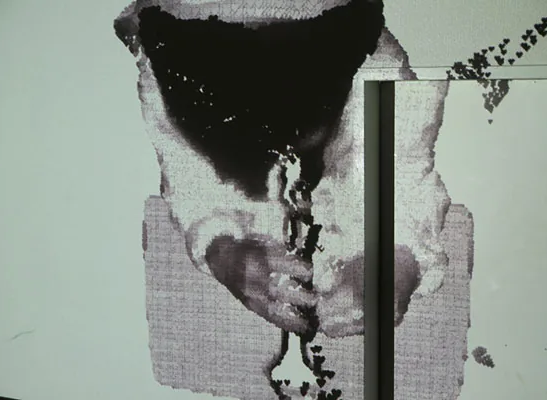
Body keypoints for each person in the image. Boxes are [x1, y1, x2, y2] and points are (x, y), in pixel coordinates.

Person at [114, 0, 451, 339]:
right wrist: (223, 251)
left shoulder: (388, 69)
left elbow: (404, 176)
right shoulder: (159, 56)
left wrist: (394, 264)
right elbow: (186, 169)